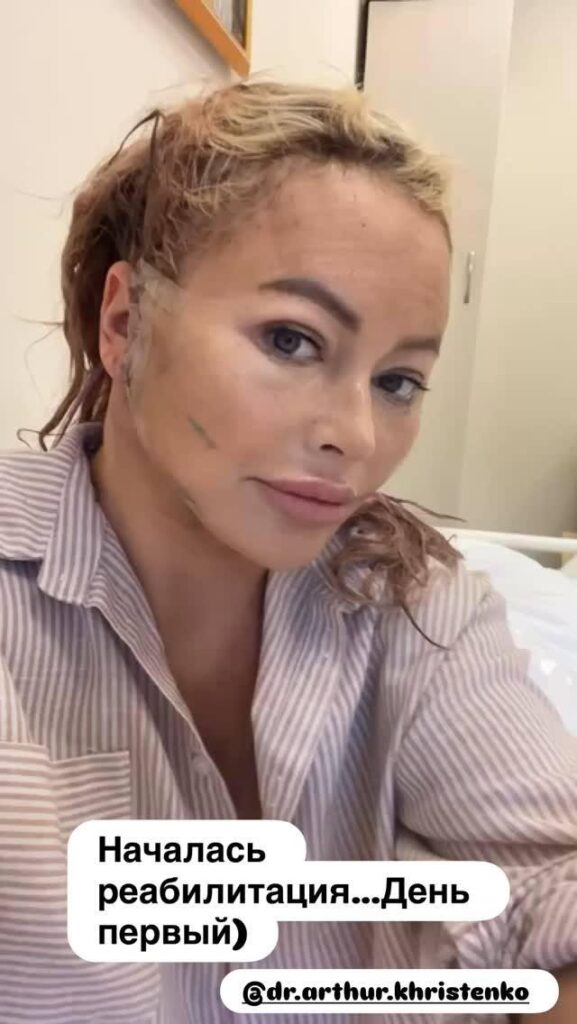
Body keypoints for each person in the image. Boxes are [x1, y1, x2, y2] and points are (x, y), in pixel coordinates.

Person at [0, 79, 575, 1024]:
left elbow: (550, 887)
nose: (357, 434)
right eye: (292, 340)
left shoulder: (415, 602)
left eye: (398, 381)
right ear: (125, 322)